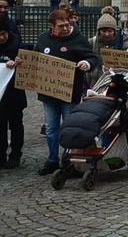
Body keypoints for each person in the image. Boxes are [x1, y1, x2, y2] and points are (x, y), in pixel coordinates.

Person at [16, 9, 99, 174]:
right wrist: (22, 62)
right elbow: (35, 58)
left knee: (69, 128)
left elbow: (93, 58)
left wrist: (86, 63)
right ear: (52, 26)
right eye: (61, 26)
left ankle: (69, 160)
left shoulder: (79, 39)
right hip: (49, 94)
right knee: (51, 128)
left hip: (70, 94)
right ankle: (52, 159)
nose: (66, 28)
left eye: (68, 25)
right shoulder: (43, 39)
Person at [0, 17, 26, 169]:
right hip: (1, 96)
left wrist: (18, 62)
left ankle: (15, 154)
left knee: (16, 125)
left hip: (15, 94)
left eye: (4, 33)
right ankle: (1, 156)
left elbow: (28, 63)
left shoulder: (17, 45)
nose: (2, 37)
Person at [88, 13, 125, 86]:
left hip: (115, 85)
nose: (107, 34)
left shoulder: (122, 44)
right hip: (94, 84)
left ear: (114, 32)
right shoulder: (91, 43)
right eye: (104, 31)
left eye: (110, 31)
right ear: (99, 31)